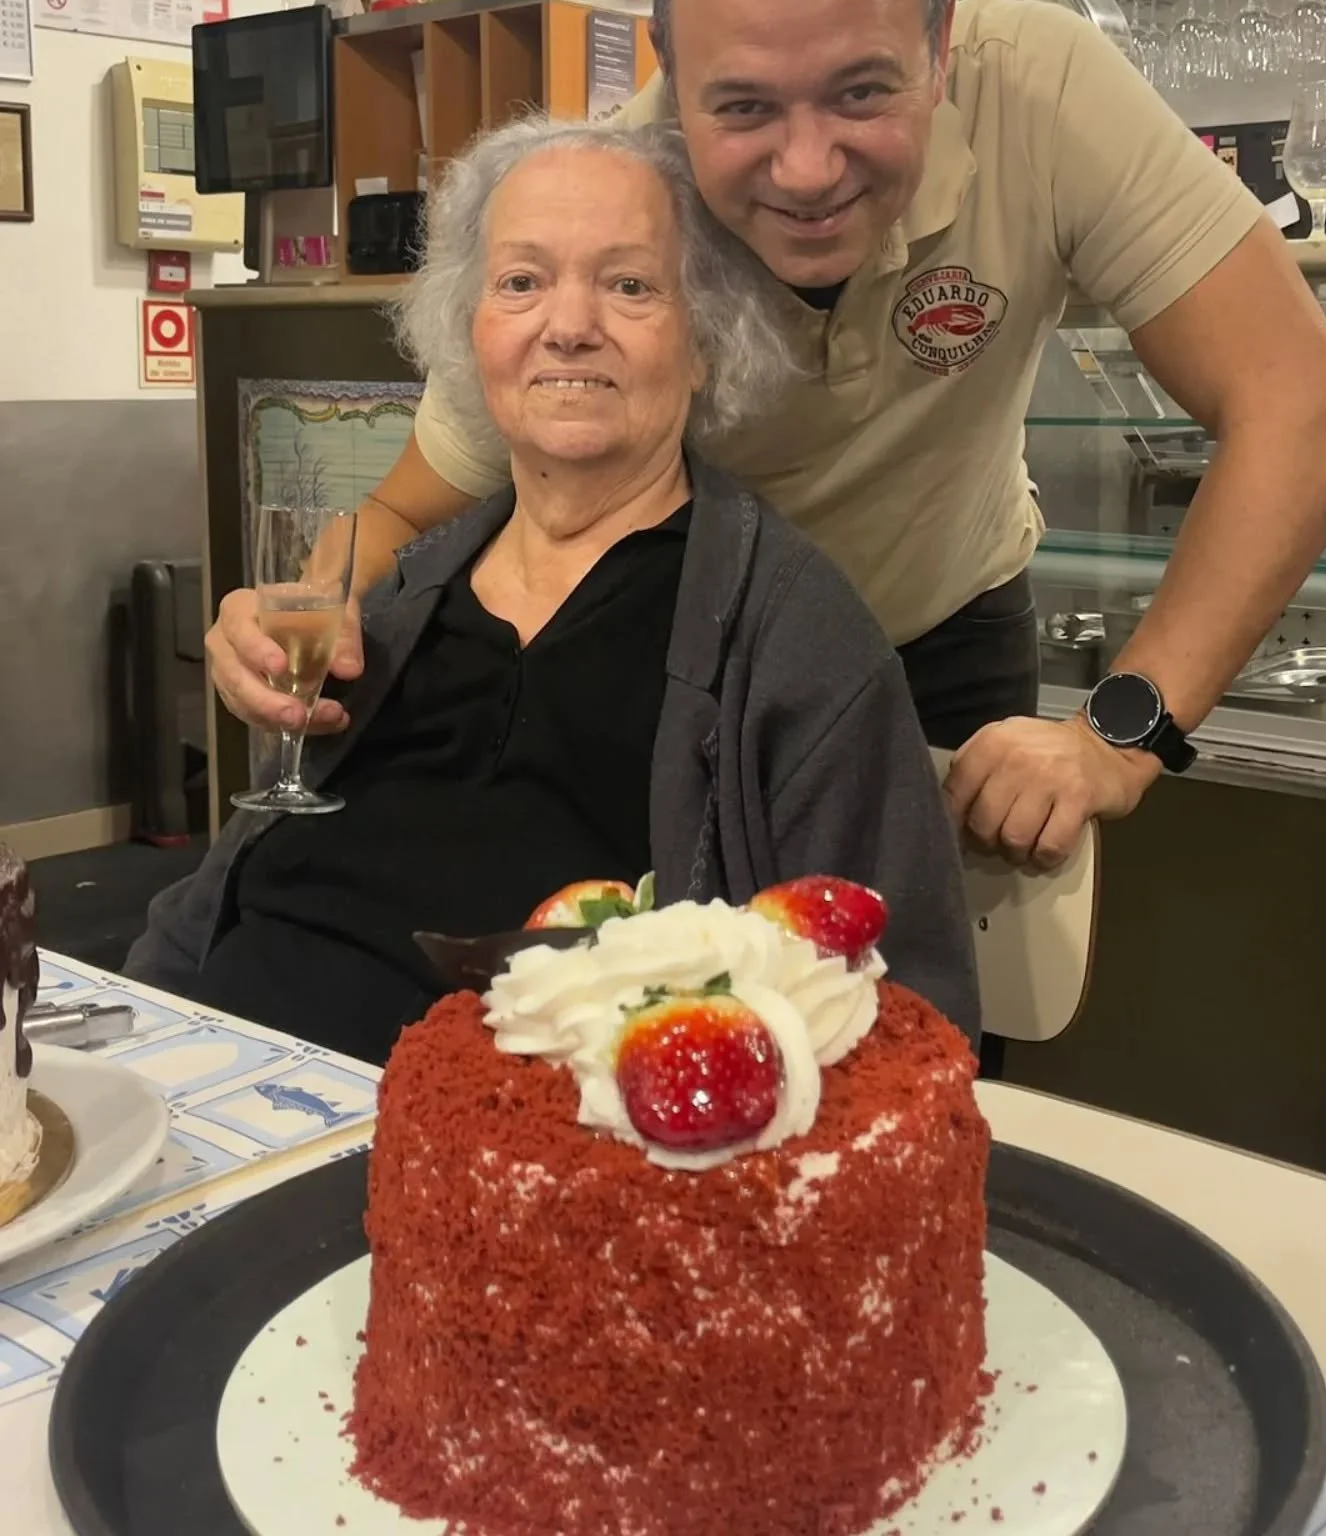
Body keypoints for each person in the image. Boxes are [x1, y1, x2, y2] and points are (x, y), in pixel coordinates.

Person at [207, 0, 1326, 871]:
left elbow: (1305, 415)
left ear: (942, 42)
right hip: (687, 666)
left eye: (863, 93)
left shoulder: (1047, 87)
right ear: (672, 76)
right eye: (746, 107)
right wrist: (300, 616)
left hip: (945, 631)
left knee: (926, 1030)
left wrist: (1121, 734)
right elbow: (411, 511)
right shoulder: (621, 189)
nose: (809, 171)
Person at [125, 120, 976, 1065]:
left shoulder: (794, 640)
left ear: (706, 340)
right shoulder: (402, 595)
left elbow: (906, 1026)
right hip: (210, 1081)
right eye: (522, 282)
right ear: (473, 333)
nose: (568, 326)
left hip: (509, 1165)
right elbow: (210, 906)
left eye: (629, 285)